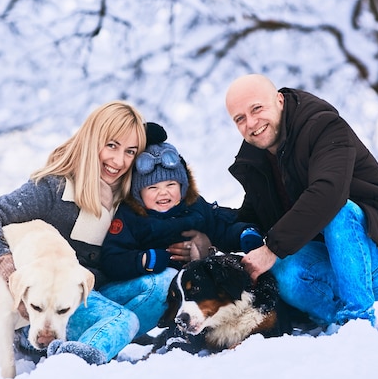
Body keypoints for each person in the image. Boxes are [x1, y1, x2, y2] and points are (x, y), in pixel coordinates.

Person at [221, 73, 378, 327]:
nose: (251, 123)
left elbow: (328, 194)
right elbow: (250, 218)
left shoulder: (322, 126)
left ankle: (358, 321)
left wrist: (272, 247)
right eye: (240, 118)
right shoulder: (256, 160)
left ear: (280, 100)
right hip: (328, 259)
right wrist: (203, 229)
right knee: (283, 271)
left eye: (257, 108)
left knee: (337, 211)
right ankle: (335, 322)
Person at [0, 101, 168, 365]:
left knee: (164, 284)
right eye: (112, 146)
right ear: (93, 140)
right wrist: (5, 263)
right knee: (124, 320)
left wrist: (199, 241)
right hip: (47, 311)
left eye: (130, 151)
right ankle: (67, 360)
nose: (119, 161)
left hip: (95, 297)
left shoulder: (129, 198)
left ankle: (106, 334)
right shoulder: (51, 189)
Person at [100, 125, 266, 323]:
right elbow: (112, 258)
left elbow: (222, 225)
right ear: (138, 194)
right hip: (142, 284)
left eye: (171, 185)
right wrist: (143, 260)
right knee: (166, 282)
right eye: (152, 187)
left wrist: (244, 234)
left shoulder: (195, 208)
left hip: (185, 291)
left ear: (183, 187)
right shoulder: (130, 218)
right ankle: (128, 324)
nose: (163, 193)